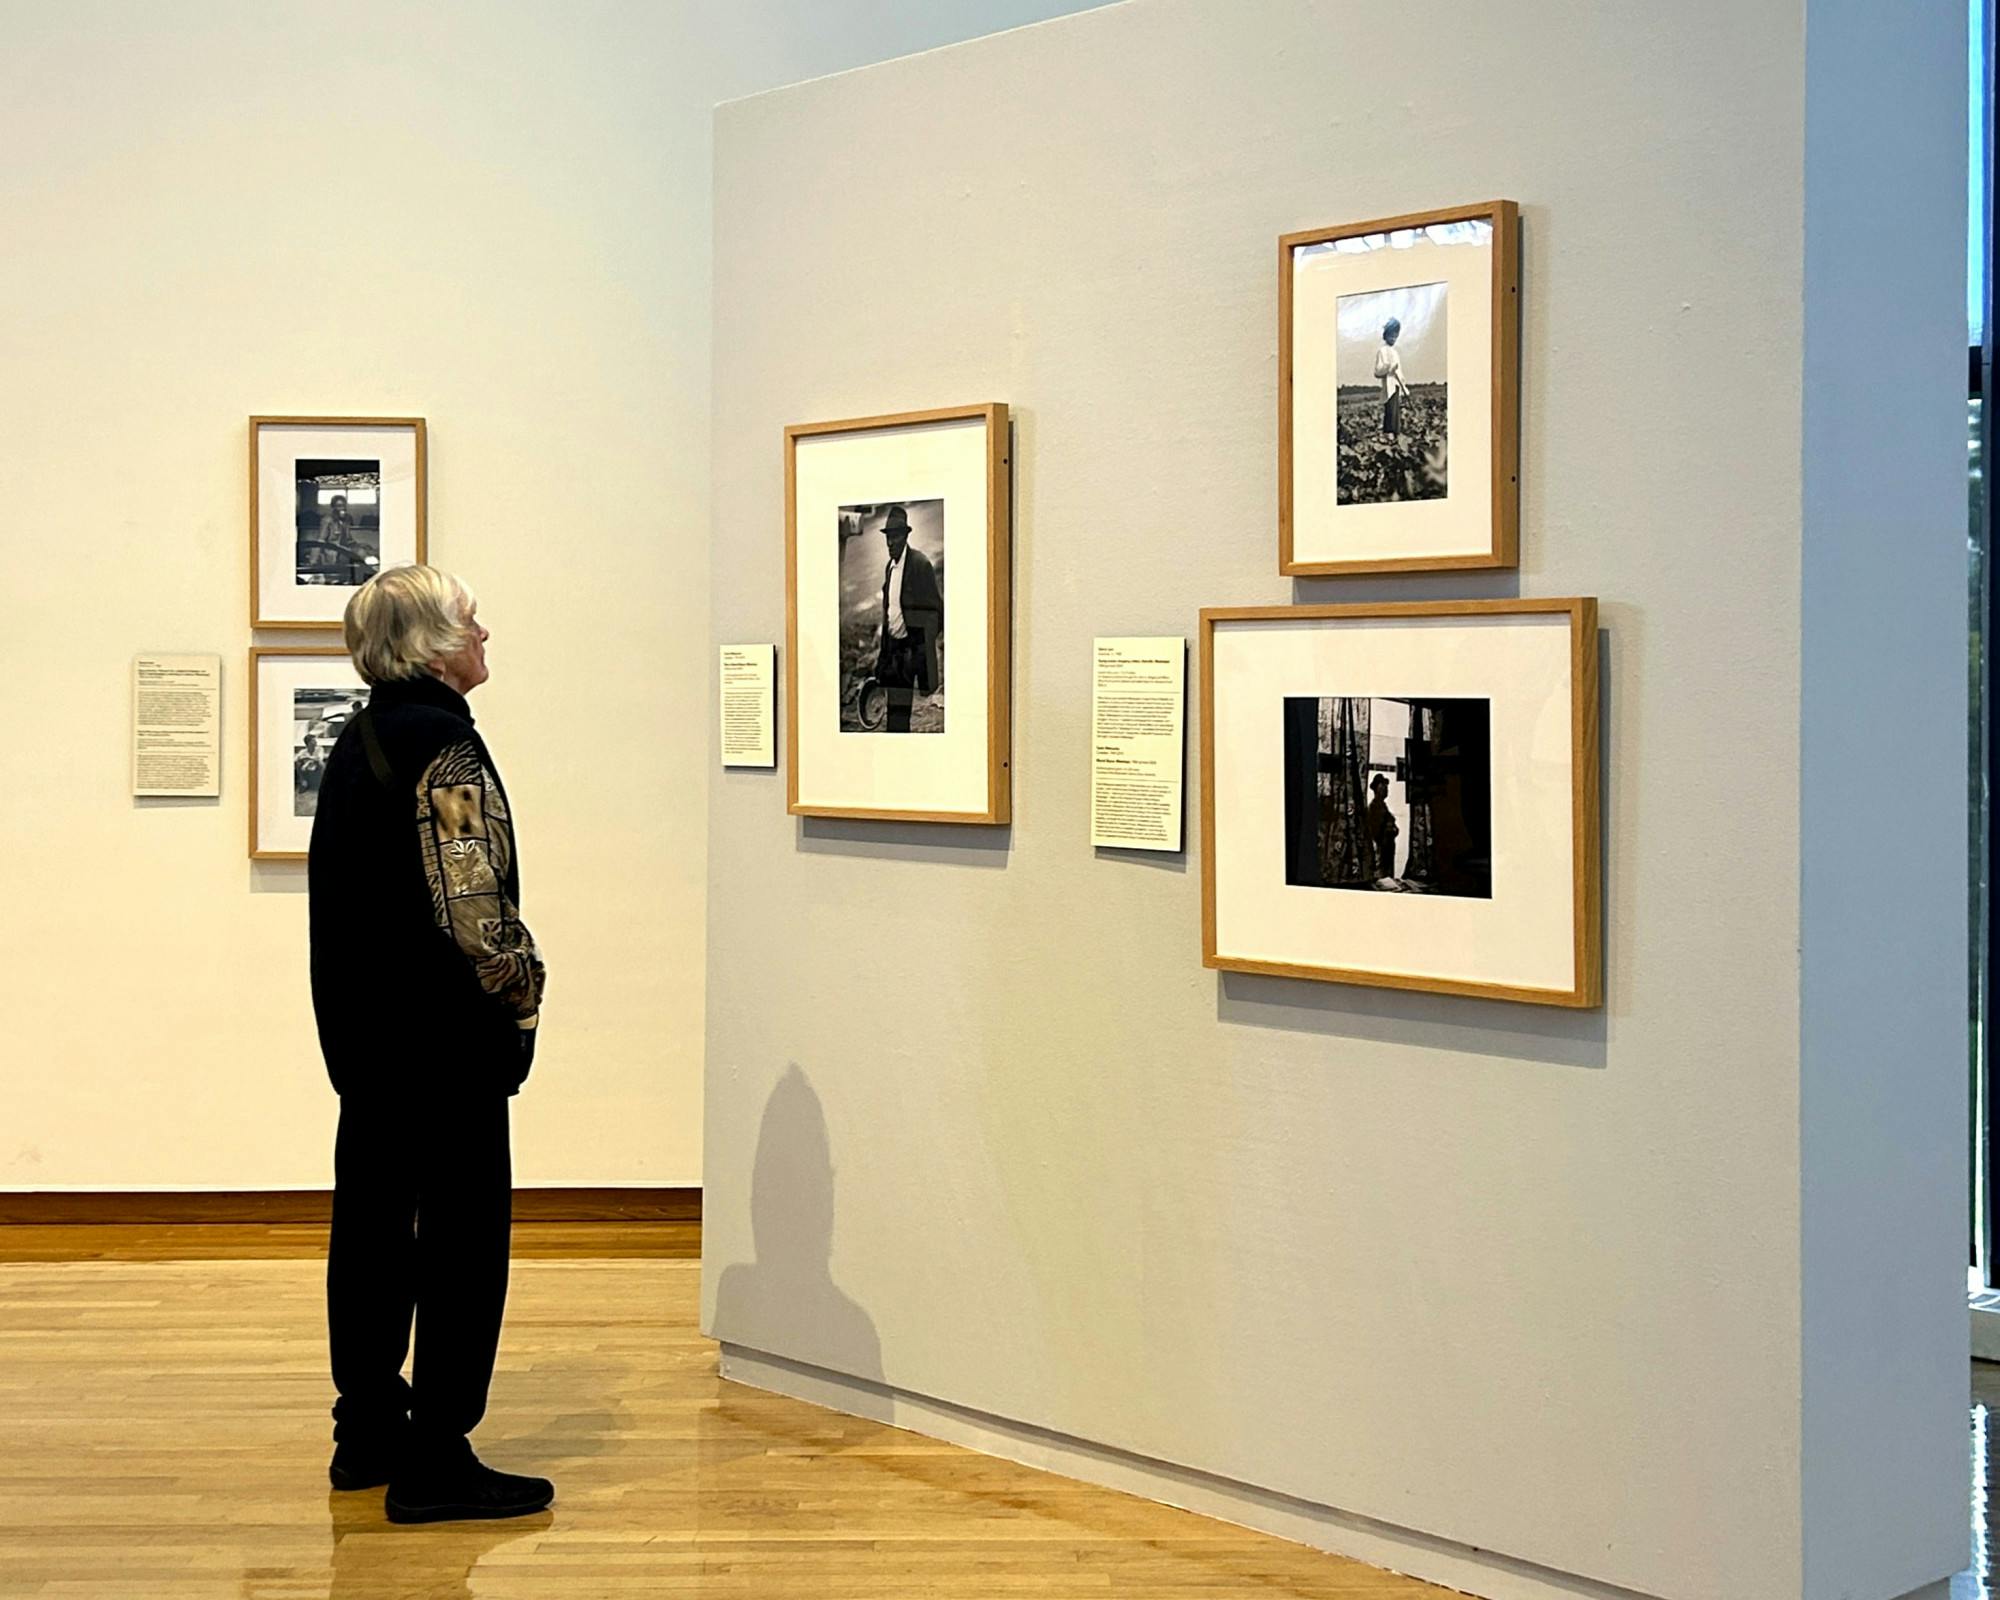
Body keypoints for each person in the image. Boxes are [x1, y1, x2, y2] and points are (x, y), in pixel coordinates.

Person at [308, 563, 553, 1524]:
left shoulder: (357, 738)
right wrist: (522, 1001)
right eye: (471, 624)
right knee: (459, 1241)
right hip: (445, 1044)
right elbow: (474, 908)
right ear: (433, 647)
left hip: (367, 1043)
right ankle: (438, 1458)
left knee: (370, 1232)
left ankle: (366, 1431)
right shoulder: (445, 751)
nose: (485, 636)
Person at [873, 504, 942, 733]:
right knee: (895, 713)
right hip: (893, 650)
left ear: (904, 536)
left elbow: (936, 613)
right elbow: (889, 608)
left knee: (900, 713)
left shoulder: (920, 565)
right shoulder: (890, 568)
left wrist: (921, 648)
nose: (890, 543)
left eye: (895, 537)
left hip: (908, 651)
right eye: (888, 538)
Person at [1374, 316, 1408, 438]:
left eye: (1395, 336)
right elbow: (1377, 372)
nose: (1393, 338)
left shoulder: (1395, 352)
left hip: (1397, 386)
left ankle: (1395, 437)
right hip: (1388, 387)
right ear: (1385, 335)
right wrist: (1388, 368)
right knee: (1390, 413)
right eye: (1391, 336)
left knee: (1396, 414)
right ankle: (1388, 436)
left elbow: (1399, 373)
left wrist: (1404, 388)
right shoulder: (1382, 351)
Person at [1365, 772, 1400, 881]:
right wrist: (1388, 830)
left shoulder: (1383, 806)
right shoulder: (1374, 808)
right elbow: (1375, 832)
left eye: (1386, 787)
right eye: (1382, 786)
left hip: (1387, 850)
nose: (1386, 789)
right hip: (1381, 851)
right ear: (1376, 789)